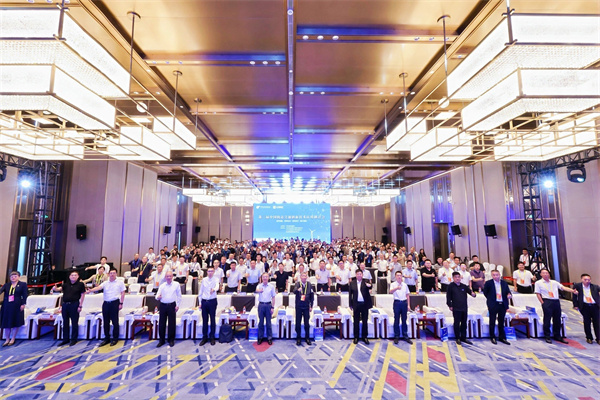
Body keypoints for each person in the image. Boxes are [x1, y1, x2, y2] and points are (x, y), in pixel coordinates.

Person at [534, 269, 577, 344]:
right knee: (547, 319)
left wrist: (572, 291)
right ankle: (547, 336)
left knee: (557, 319)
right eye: (543, 273)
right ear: (541, 274)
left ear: (549, 274)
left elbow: (563, 288)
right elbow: (538, 294)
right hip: (547, 301)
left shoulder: (554, 282)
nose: (545, 274)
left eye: (547, 273)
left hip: (556, 301)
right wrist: (542, 303)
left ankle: (557, 335)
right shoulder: (538, 283)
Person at [87, 268, 126, 346]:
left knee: (115, 322)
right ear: (108, 274)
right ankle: (107, 338)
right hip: (106, 303)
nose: (112, 275)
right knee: (105, 321)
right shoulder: (105, 283)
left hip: (115, 303)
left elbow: (123, 293)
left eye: (114, 273)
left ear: (116, 274)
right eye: (111, 273)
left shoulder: (120, 282)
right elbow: (98, 287)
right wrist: (91, 290)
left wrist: (121, 303)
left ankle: (115, 338)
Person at [52, 271, 86, 346]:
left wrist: (80, 305)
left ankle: (74, 339)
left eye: (75, 275)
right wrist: (55, 288)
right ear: (69, 276)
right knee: (65, 322)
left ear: (78, 276)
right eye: (72, 275)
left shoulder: (80, 284)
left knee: (74, 322)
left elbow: (83, 295)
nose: (73, 276)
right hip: (65, 305)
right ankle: (65, 339)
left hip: (75, 304)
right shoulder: (66, 284)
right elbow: (58, 289)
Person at [446, 271, 476, 345]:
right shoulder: (450, 286)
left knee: (464, 323)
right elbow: (448, 297)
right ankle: (457, 338)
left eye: (458, 277)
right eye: (456, 277)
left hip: (464, 307)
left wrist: (473, 294)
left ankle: (463, 337)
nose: (457, 278)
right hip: (456, 308)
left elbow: (471, 293)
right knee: (457, 323)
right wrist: (450, 305)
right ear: (453, 278)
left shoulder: (464, 286)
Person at [483, 270, 511, 345]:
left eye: (497, 275)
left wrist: (509, 295)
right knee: (492, 321)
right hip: (493, 304)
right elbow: (485, 292)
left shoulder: (504, 283)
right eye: (494, 275)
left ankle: (502, 337)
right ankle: (492, 337)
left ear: (500, 275)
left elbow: (508, 291)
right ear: (492, 276)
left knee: (501, 321)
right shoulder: (488, 283)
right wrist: (491, 299)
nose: (496, 276)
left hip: (502, 304)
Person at [0, 271, 28, 346]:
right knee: (6, 322)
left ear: (18, 277)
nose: (13, 278)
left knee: (15, 321)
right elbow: (1, 291)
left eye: (15, 276)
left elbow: (25, 295)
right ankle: (7, 339)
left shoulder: (22, 284)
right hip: (7, 305)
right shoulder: (6, 285)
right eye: (11, 276)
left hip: (17, 304)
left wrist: (23, 304)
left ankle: (13, 338)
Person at [155, 270, 182, 348]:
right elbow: (157, 296)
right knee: (162, 323)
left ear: (172, 277)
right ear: (165, 277)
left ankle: (171, 340)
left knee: (172, 323)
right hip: (163, 305)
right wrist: (158, 297)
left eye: (170, 276)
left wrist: (178, 305)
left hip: (172, 305)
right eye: (167, 276)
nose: (169, 277)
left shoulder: (176, 284)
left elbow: (179, 296)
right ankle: (161, 340)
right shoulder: (162, 285)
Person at [572, 273, 600, 344]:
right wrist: (575, 305)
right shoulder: (577, 286)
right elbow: (574, 296)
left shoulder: (595, 286)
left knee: (597, 323)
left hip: (595, 306)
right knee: (587, 322)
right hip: (584, 306)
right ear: (582, 279)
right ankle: (589, 337)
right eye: (585, 280)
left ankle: (598, 338)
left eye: (589, 280)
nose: (587, 281)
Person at [349, 269, 373, 345]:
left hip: (364, 304)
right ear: (356, 275)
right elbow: (350, 295)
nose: (359, 275)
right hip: (356, 304)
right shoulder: (352, 283)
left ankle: (364, 337)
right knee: (356, 321)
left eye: (360, 274)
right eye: (358, 274)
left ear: (362, 275)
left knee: (365, 321)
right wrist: (350, 304)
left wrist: (369, 286)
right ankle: (356, 337)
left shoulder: (366, 281)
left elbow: (370, 286)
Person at [198, 266, 220, 346]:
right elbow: (200, 291)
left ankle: (212, 337)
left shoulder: (216, 279)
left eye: (211, 271)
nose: (210, 272)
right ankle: (204, 337)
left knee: (212, 319)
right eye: (209, 271)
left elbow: (217, 286)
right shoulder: (204, 280)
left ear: (214, 272)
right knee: (205, 320)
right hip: (204, 301)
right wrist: (200, 302)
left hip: (212, 301)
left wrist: (214, 289)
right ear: (207, 272)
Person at [390, 271, 413, 345]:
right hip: (397, 303)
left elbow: (407, 295)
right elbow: (390, 291)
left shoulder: (405, 285)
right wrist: (397, 288)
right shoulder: (393, 284)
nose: (399, 277)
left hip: (404, 303)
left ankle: (405, 336)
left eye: (400, 275)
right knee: (396, 319)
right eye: (397, 275)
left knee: (404, 320)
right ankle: (396, 336)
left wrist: (408, 305)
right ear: (395, 276)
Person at [293, 272, 314, 345]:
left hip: (306, 306)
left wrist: (311, 306)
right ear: (300, 277)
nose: (304, 277)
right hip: (299, 306)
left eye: (305, 276)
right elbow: (294, 291)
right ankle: (298, 338)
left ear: (307, 277)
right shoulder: (297, 284)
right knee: (298, 323)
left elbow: (312, 296)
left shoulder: (309, 284)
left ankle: (307, 338)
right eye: (303, 276)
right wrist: (298, 290)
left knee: (306, 323)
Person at [255, 273, 276, 345]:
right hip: (261, 305)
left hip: (268, 305)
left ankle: (269, 338)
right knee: (260, 322)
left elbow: (273, 297)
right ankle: (260, 337)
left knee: (268, 323)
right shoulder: (259, 286)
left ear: (268, 278)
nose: (265, 278)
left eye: (266, 277)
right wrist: (259, 290)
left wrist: (272, 307)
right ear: (261, 278)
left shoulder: (271, 287)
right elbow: (256, 290)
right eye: (263, 277)